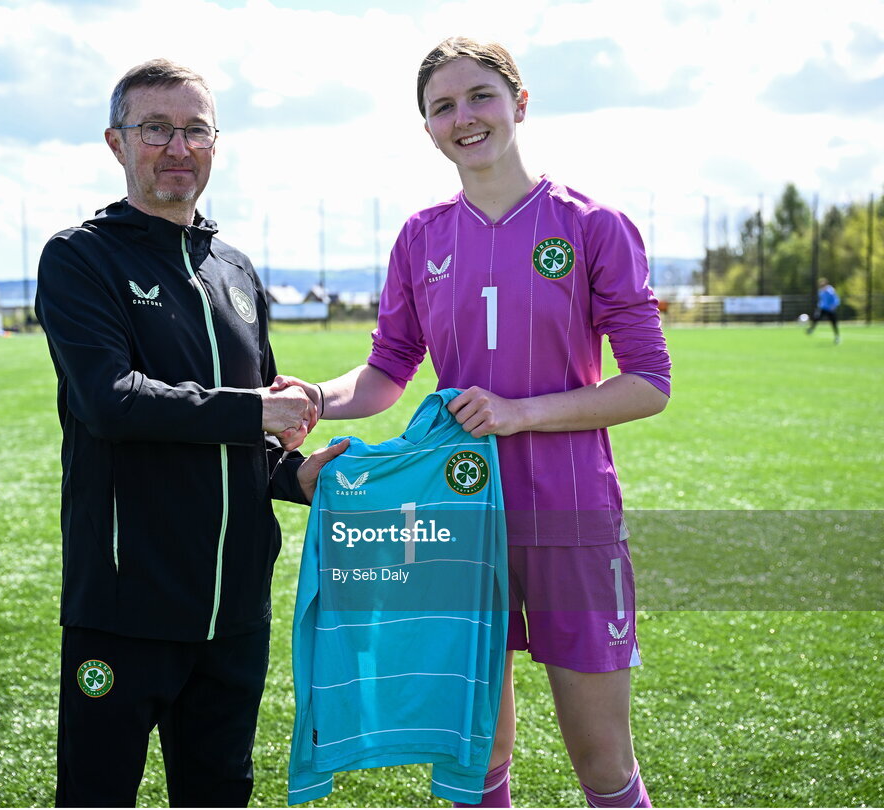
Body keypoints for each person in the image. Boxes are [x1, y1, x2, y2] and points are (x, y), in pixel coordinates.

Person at [274, 38, 671, 808]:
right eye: (442, 107)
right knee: (473, 754)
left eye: (480, 96)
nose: (464, 118)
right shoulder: (422, 237)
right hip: (457, 517)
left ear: (520, 103)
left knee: (601, 762)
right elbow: (388, 372)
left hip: (571, 515)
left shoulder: (593, 225)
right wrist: (317, 399)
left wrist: (520, 414)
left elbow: (649, 383)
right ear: (427, 129)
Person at [34, 58, 343, 808]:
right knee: (96, 793)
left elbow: (255, 433)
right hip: (124, 607)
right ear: (117, 142)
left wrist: (292, 476)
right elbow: (112, 402)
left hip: (235, 611)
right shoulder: (80, 258)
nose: (178, 148)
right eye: (156, 129)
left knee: (219, 793)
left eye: (195, 130)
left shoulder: (234, 268)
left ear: (216, 143)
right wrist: (253, 414)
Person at [807, 277, 841, 344]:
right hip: (823, 309)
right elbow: (822, 301)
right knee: (816, 318)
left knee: (834, 323)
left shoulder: (830, 291)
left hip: (830, 309)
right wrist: (819, 307)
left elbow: (836, 299)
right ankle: (811, 329)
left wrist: (834, 306)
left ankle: (837, 337)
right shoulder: (821, 291)